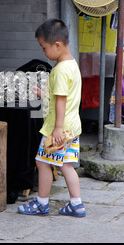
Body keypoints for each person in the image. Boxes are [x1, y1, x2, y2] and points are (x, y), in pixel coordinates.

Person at [18, 18, 86, 217]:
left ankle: (41, 203)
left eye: (44, 48)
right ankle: (76, 204)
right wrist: (44, 94)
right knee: (66, 165)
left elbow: (61, 101)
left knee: (42, 162)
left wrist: (56, 128)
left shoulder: (59, 70)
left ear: (57, 45)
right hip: (71, 127)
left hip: (58, 129)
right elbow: (62, 95)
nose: (43, 53)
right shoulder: (72, 65)